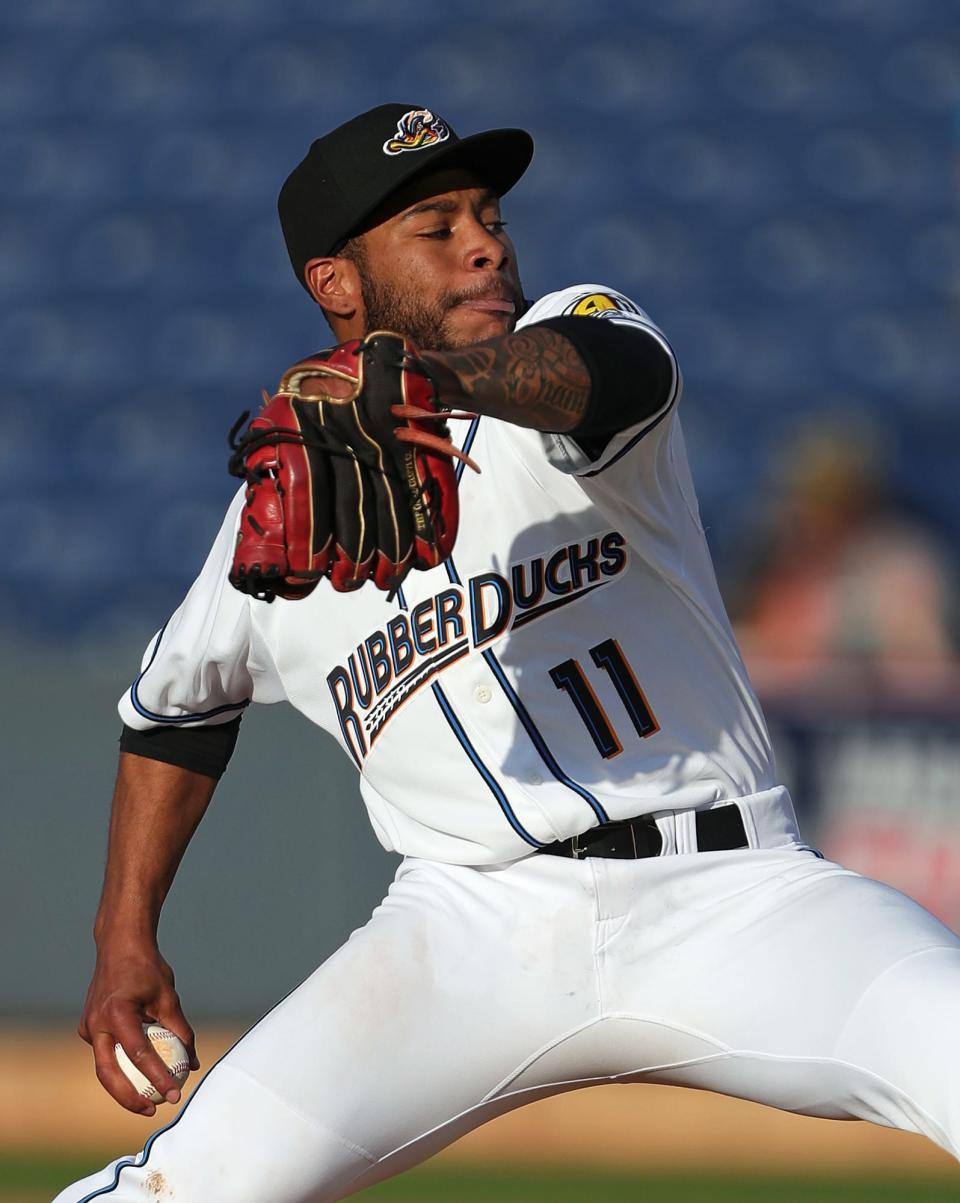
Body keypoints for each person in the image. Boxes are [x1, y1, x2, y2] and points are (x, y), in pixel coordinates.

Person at [55, 104, 960, 1203]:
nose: (485, 242)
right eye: (435, 226)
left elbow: (607, 370)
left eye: (487, 215)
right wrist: (123, 937)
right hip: (466, 933)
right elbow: (171, 711)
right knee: (180, 1191)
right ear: (336, 284)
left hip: (734, 893)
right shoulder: (278, 516)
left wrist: (434, 385)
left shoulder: (573, 342)